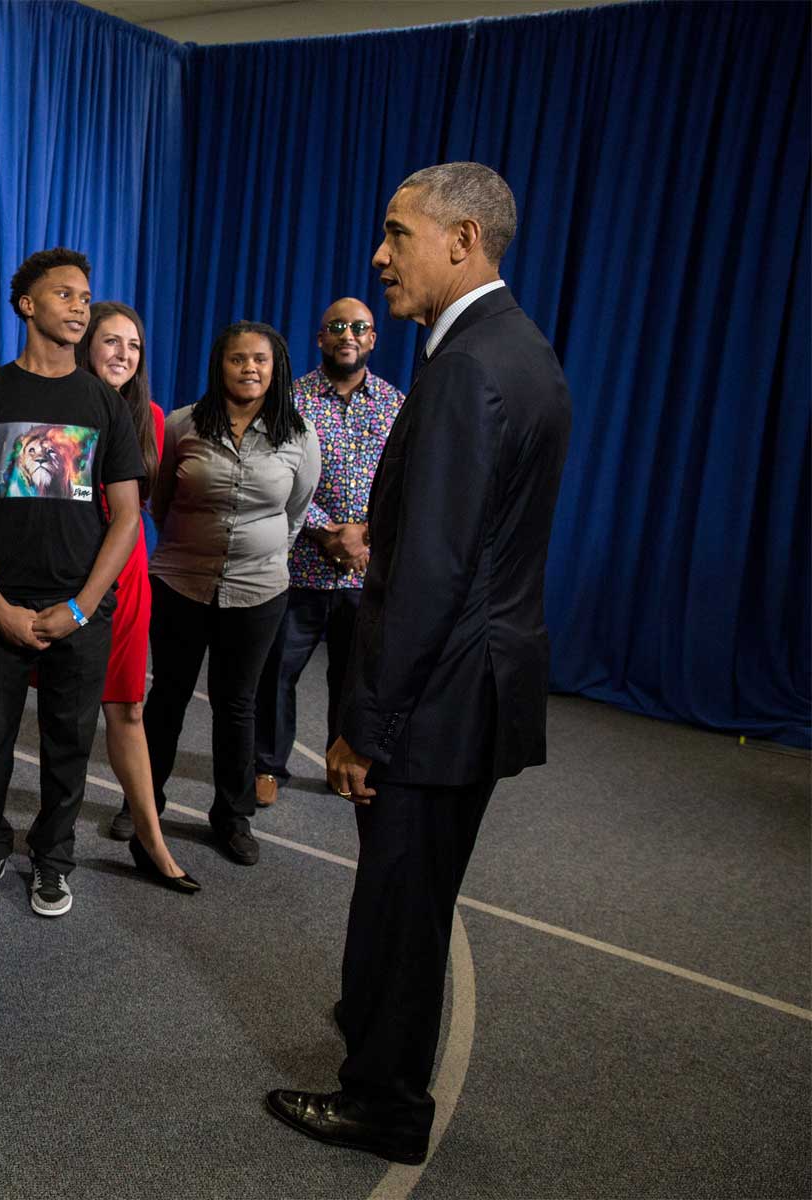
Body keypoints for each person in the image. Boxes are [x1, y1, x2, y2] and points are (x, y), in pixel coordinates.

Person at [267, 163, 570, 1165]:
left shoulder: (467, 370)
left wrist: (366, 724)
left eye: (398, 234)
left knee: (402, 901)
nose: (378, 255)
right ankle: (376, 1027)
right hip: (478, 687)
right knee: (413, 895)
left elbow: (430, 570)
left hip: (437, 699)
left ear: (463, 240)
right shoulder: (517, 350)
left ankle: (383, 1105)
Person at [0, 249, 144, 918]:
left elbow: (126, 517)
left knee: (69, 744)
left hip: (80, 612)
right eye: (66, 294)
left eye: (86, 295)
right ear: (28, 304)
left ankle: (53, 860)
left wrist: (83, 607)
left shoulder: (105, 405)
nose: (82, 305)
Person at [144, 322, 320, 868]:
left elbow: (296, 510)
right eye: (238, 359)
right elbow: (160, 498)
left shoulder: (298, 435)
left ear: (276, 368)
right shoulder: (181, 425)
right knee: (167, 698)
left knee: (237, 704)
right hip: (181, 582)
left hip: (259, 590)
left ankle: (231, 815)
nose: (249, 368)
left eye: (260, 360)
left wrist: (262, 553)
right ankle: (145, 804)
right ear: (219, 364)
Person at [252, 299, 405, 807]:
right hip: (301, 565)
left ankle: (344, 765)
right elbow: (277, 475)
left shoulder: (395, 403)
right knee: (278, 671)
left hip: (366, 570)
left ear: (373, 339)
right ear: (320, 338)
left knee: (355, 675)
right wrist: (326, 533)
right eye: (337, 326)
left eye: (359, 327)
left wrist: (363, 535)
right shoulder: (291, 401)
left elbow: (403, 484)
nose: (349, 334)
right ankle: (268, 766)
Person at [77, 302, 197, 893]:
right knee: (62, 711)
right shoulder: (60, 403)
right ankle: (41, 846)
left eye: (134, 345)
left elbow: (155, 503)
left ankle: (151, 841)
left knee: (126, 709)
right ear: (85, 344)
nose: (124, 354)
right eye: (111, 341)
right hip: (65, 573)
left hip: (126, 576)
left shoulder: (151, 416)